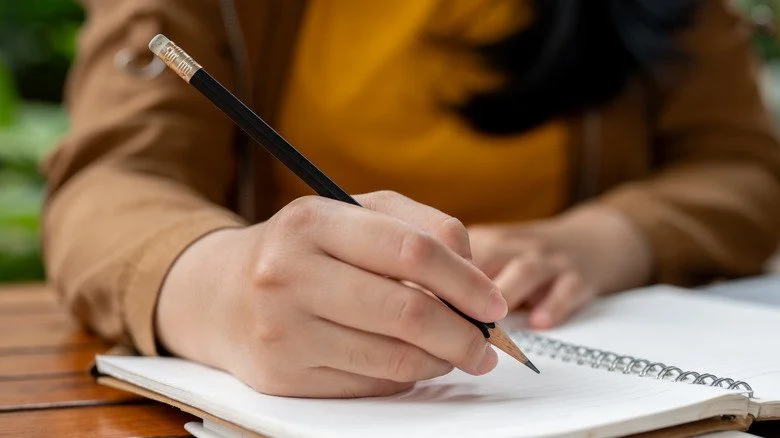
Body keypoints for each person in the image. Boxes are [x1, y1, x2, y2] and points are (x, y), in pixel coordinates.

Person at [42, 0, 780, 398]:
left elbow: (741, 166)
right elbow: (109, 182)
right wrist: (217, 283)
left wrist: (610, 236)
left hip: (584, 337)